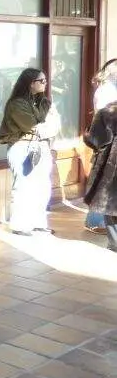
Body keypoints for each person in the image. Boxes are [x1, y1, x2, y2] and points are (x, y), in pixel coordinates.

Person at [0, 68, 61, 236]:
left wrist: (46, 127)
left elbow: (55, 125)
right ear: (30, 83)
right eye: (42, 81)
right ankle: (19, 225)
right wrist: (45, 127)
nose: (45, 84)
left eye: (46, 80)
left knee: (42, 186)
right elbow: (32, 126)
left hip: (42, 147)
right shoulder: (16, 103)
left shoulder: (44, 102)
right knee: (23, 186)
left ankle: (38, 222)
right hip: (22, 146)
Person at [86, 59, 117, 234]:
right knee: (104, 184)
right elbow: (104, 117)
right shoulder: (106, 90)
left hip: (110, 143)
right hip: (108, 143)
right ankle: (95, 221)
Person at [84, 100, 117, 251]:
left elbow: (94, 139)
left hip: (110, 165)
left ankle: (115, 241)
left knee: (109, 203)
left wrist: (87, 135)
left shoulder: (107, 112)